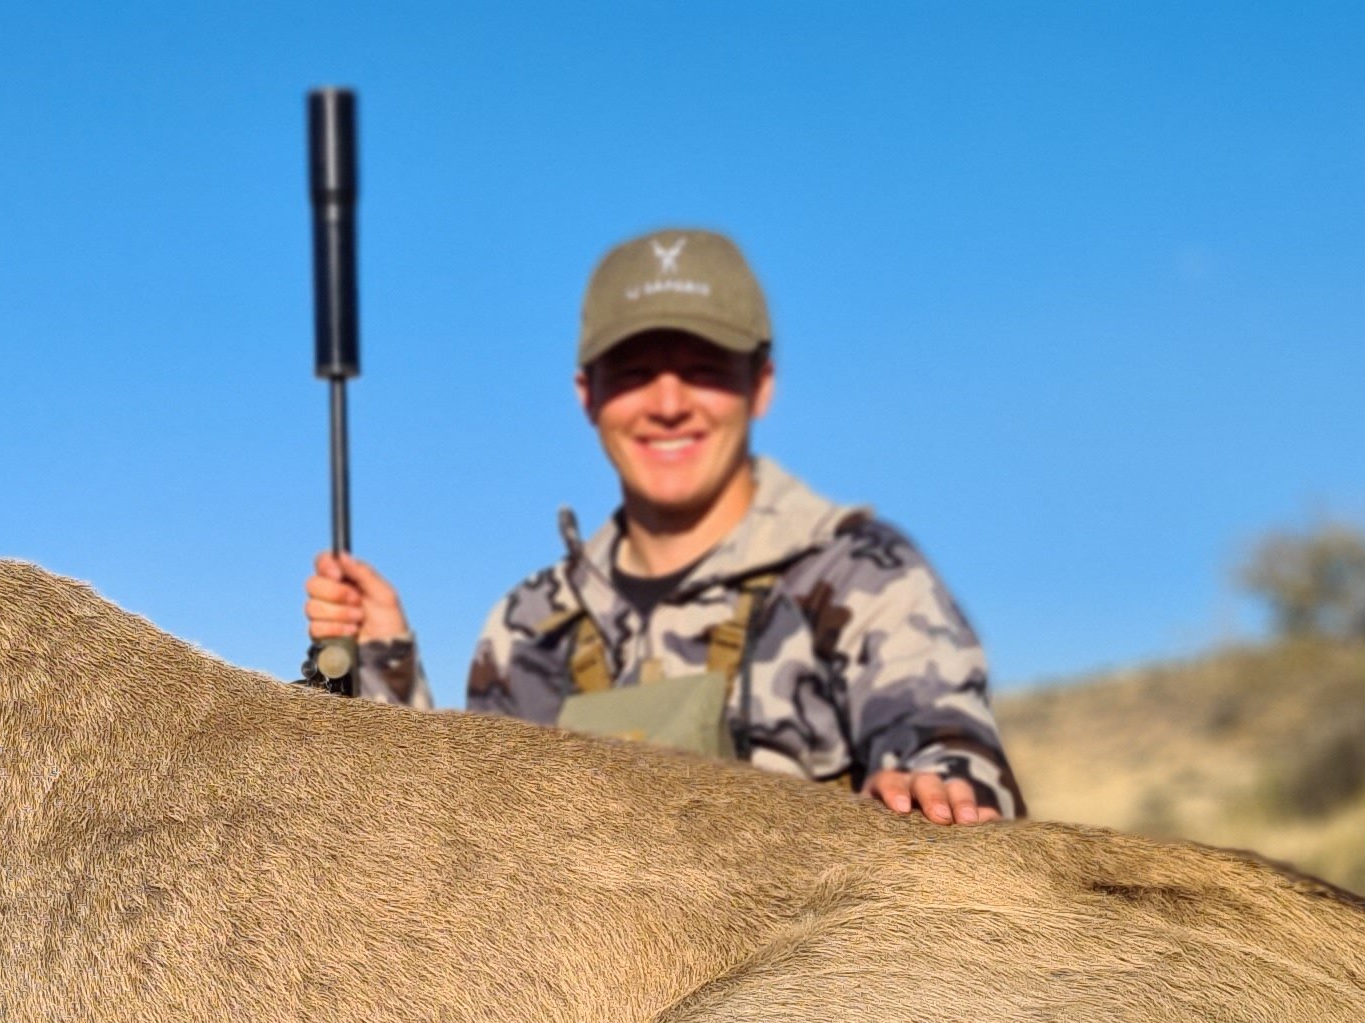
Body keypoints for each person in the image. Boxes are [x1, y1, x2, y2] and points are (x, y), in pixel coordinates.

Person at [300, 227, 1021, 824]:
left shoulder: (862, 576)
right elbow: (469, 846)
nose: (668, 403)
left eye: (703, 368)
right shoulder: (527, 626)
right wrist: (381, 668)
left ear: (759, 385)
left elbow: (944, 741)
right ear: (589, 396)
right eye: (635, 372)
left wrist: (938, 789)